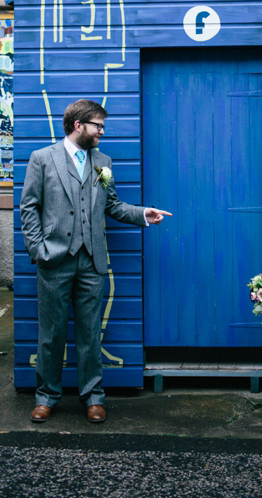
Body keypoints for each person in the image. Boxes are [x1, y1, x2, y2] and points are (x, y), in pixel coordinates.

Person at [20, 99, 171, 424]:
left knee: (90, 334)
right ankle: (46, 396)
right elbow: (29, 207)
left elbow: (112, 205)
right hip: (54, 260)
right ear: (79, 125)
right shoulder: (42, 159)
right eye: (97, 126)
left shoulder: (103, 161)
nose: (102, 132)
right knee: (51, 334)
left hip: (92, 262)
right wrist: (38, 249)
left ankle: (93, 398)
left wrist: (143, 213)